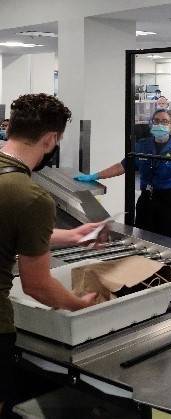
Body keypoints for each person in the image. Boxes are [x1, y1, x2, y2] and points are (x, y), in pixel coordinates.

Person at [1, 94, 101, 415]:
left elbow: (8, 227)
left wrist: (70, 235)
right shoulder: (32, 196)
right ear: (50, 139)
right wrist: (79, 304)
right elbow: (37, 286)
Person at [75, 109, 171, 240]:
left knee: (170, 242)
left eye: (164, 121)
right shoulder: (142, 146)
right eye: (156, 121)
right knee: (143, 240)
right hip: (146, 202)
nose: (160, 124)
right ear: (151, 124)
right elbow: (121, 167)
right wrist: (94, 176)